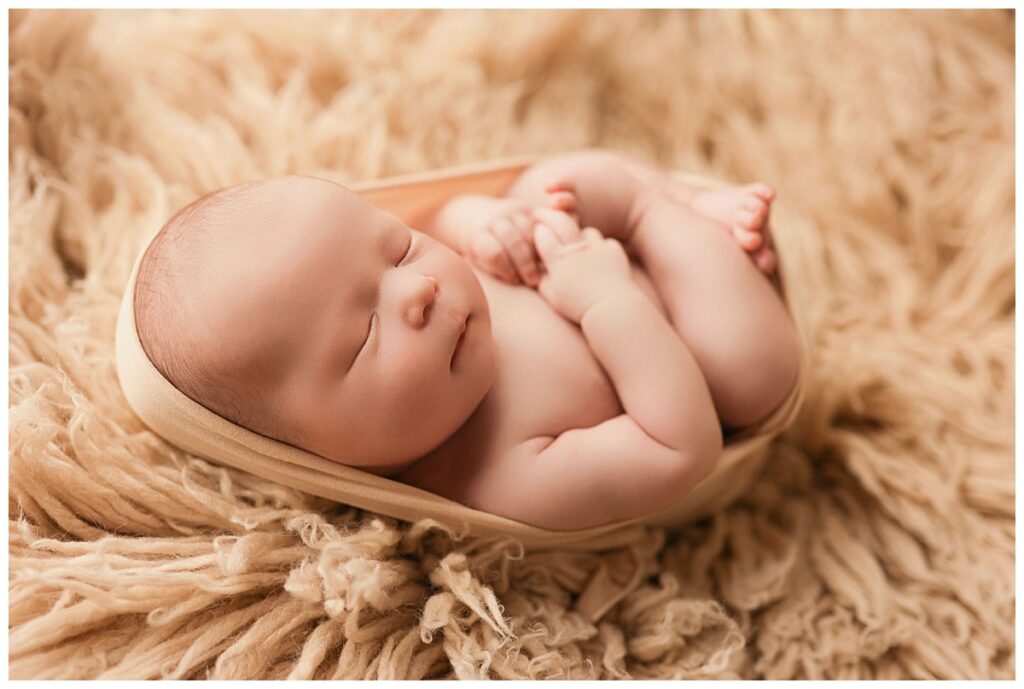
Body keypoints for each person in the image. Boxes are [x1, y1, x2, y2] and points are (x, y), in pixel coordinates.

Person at [133, 149, 799, 530]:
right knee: (751, 372)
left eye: (398, 248)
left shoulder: (436, 280)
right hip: (681, 334)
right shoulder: (496, 475)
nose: (415, 290)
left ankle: (654, 199)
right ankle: (663, 213)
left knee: (541, 189)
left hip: (595, 246)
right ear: (308, 455)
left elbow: (446, 213)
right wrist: (608, 301)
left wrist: (485, 223)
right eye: (365, 335)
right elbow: (680, 444)